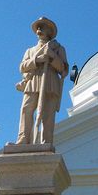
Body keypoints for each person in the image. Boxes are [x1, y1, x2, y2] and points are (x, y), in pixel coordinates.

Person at [16, 17, 68, 145]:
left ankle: (45, 141)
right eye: (38, 27)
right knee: (26, 109)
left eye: (42, 27)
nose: (39, 29)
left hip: (50, 82)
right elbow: (22, 67)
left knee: (47, 113)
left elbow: (64, 69)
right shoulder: (30, 50)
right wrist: (36, 60)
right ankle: (23, 138)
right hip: (33, 81)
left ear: (49, 31)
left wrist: (52, 57)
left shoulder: (58, 48)